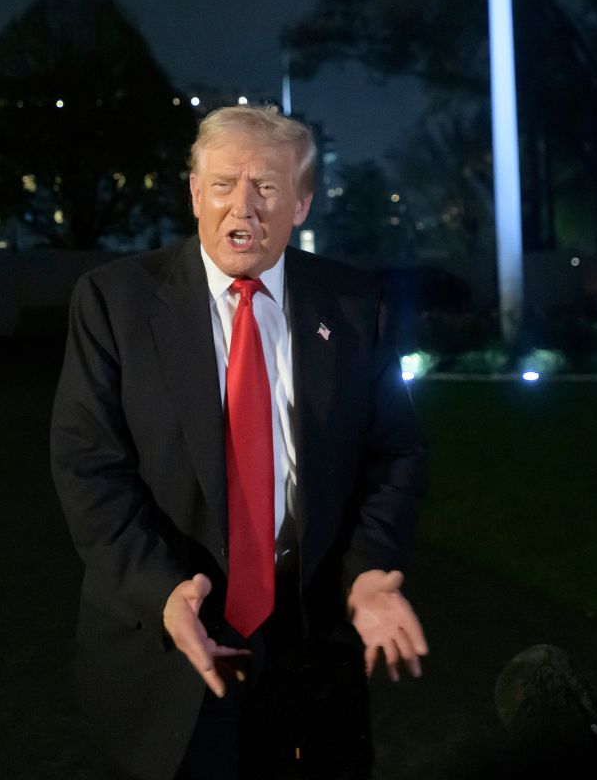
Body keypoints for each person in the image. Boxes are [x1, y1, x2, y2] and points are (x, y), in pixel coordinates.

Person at [50, 105, 429, 779]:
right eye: (223, 184)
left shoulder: (353, 306)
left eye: (267, 187)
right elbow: (88, 468)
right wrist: (161, 591)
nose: (242, 207)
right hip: (172, 643)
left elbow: (393, 453)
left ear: (302, 204)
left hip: (311, 652)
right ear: (196, 193)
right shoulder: (114, 302)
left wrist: (371, 571)